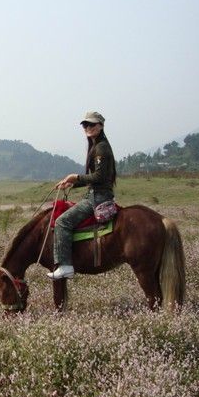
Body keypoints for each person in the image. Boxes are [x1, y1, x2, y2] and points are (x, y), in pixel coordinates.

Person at [47, 111, 117, 280]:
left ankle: (65, 266)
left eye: (92, 124)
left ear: (100, 126)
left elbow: (100, 177)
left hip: (97, 197)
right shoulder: (96, 145)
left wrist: (76, 177)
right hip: (96, 193)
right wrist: (72, 183)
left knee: (62, 222)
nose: (88, 128)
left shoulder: (100, 148)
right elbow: (94, 179)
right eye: (85, 125)